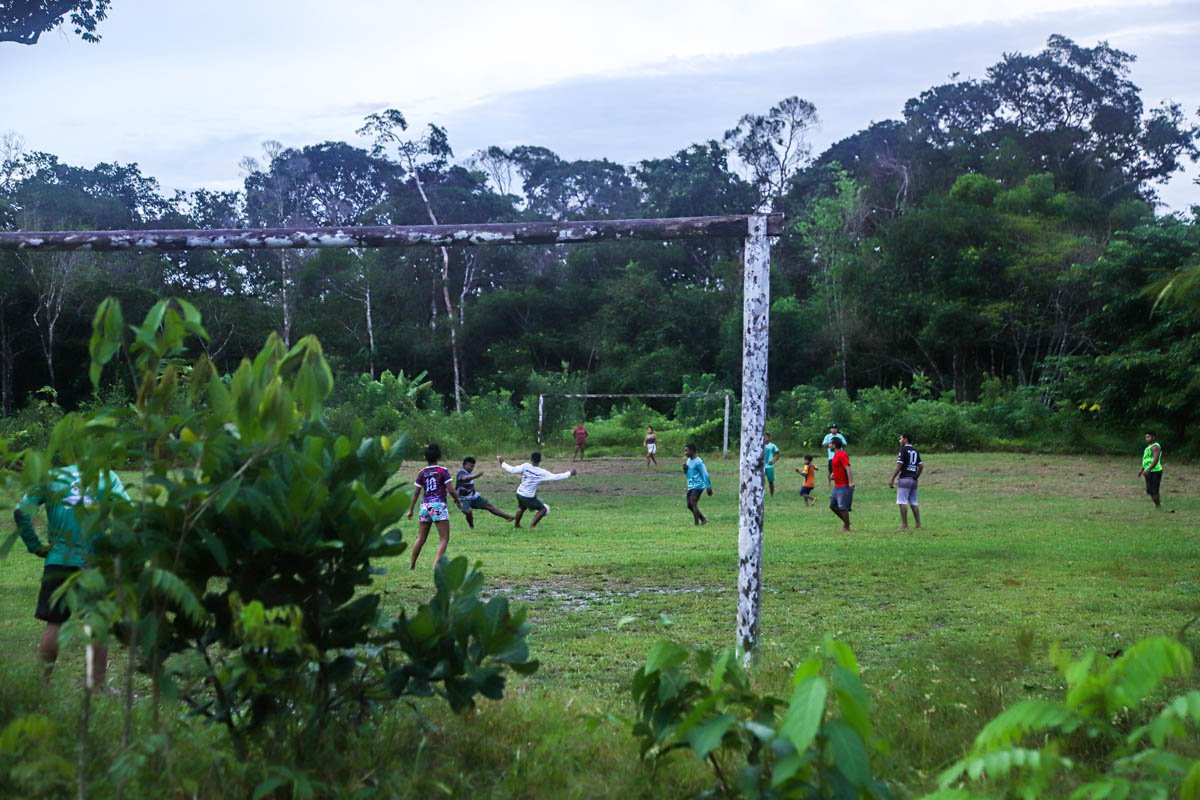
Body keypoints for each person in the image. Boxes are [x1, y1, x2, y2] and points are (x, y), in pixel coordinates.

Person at [15, 463, 130, 688]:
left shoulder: (51, 476)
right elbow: (128, 514)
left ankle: (40, 685)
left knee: (54, 622)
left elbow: (21, 511)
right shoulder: (107, 474)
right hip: (94, 561)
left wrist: (35, 546)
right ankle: (97, 687)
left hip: (58, 560)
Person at [406, 444, 460, 570]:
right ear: (439, 456)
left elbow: (416, 493)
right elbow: (451, 490)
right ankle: (436, 565)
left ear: (425, 457)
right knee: (444, 538)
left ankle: (412, 565)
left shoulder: (422, 473)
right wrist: (458, 502)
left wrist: (411, 510)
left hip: (425, 506)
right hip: (438, 506)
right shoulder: (443, 471)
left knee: (421, 538)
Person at [498, 452, 577, 528]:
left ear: (531, 459)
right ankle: (532, 526)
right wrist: (569, 473)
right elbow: (556, 477)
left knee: (521, 508)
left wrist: (502, 463)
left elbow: (512, 470)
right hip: (528, 496)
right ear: (540, 460)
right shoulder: (541, 472)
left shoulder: (525, 466)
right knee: (543, 509)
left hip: (519, 493)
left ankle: (517, 525)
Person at [455, 456, 515, 528]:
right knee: (468, 511)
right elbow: (465, 479)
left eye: (473, 467)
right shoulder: (461, 472)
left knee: (488, 506)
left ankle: (508, 517)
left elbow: (470, 485)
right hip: (462, 498)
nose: (472, 468)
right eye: (470, 466)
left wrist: (474, 493)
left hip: (472, 496)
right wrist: (477, 475)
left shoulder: (469, 473)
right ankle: (471, 526)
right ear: (464, 465)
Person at [888, 433, 924, 530]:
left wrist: (892, 478)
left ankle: (904, 525)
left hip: (904, 479)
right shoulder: (915, 451)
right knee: (914, 502)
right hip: (913, 480)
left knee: (902, 501)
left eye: (900, 439)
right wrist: (916, 476)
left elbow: (899, 465)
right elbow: (921, 466)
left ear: (905, 439)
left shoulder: (903, 450)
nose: (899, 441)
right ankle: (918, 524)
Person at [683, 443, 713, 526]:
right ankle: (703, 519)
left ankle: (696, 524)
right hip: (691, 486)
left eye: (686, 451)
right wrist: (685, 470)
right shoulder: (689, 460)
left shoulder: (699, 462)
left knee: (693, 503)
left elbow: (705, 474)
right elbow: (689, 474)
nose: (685, 453)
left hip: (698, 486)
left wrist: (708, 487)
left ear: (692, 451)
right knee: (689, 505)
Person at [828, 438, 854, 532]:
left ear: (834, 445)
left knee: (843, 507)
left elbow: (848, 468)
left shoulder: (842, 454)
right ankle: (847, 522)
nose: (829, 445)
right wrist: (833, 475)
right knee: (833, 506)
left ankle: (846, 527)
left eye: (830, 443)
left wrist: (851, 482)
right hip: (837, 485)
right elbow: (839, 468)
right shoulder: (835, 455)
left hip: (844, 485)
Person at [1138, 431, 1163, 509]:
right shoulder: (1149, 447)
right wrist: (1142, 469)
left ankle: (1158, 506)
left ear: (1153, 437)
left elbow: (1155, 460)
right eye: (1146, 437)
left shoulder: (1155, 447)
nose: (1146, 439)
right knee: (1150, 490)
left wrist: (1148, 470)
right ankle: (1157, 504)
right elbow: (1147, 459)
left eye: (1148, 437)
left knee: (1154, 490)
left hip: (1155, 471)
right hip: (1148, 471)